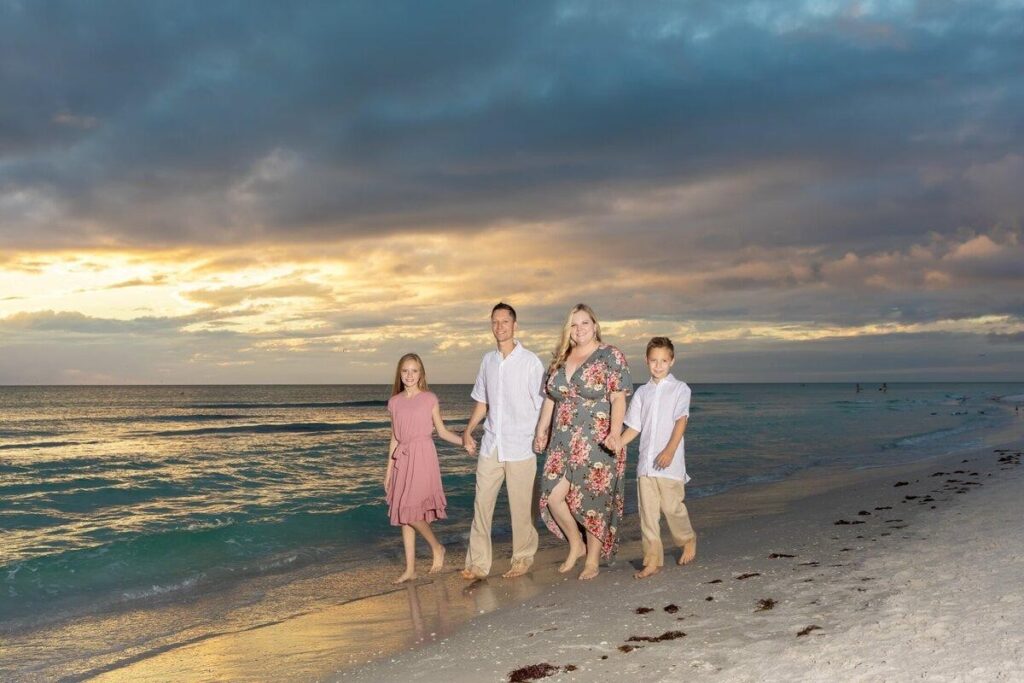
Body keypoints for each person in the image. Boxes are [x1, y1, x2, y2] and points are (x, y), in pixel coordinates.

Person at [534, 303, 631, 580]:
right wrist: (541, 430)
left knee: (592, 500)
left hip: (596, 438)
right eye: (574, 325)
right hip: (562, 440)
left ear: (595, 325)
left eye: (584, 323)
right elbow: (551, 399)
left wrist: (615, 432)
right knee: (553, 496)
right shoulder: (560, 358)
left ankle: (592, 559)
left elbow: (618, 397)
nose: (579, 329)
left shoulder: (610, 356)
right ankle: (576, 544)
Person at [462, 303, 545, 580]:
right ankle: (477, 564)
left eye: (505, 321)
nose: (500, 326)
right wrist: (468, 430)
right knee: (481, 505)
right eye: (495, 322)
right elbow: (483, 402)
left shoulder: (531, 362)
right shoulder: (488, 361)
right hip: (491, 445)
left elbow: (543, 404)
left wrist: (542, 434)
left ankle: (522, 558)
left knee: (521, 508)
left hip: (521, 445)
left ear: (514, 325)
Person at [616, 337, 696, 579]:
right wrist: (617, 442)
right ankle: (652, 560)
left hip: (669, 464)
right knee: (647, 515)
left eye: (663, 361)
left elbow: (681, 420)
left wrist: (670, 450)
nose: (658, 365)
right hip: (646, 465)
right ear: (646, 361)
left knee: (672, 508)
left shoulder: (680, 388)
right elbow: (634, 427)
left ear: (672, 361)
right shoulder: (642, 392)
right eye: (654, 361)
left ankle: (687, 539)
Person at [385, 353, 463, 584]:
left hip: (423, 457)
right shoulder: (394, 402)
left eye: (414, 371)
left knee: (411, 511)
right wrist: (388, 471)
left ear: (421, 374)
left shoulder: (429, 398)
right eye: (405, 371)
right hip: (402, 460)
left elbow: (442, 431)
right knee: (403, 514)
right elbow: (394, 438)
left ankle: (437, 547)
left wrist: (464, 441)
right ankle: (410, 569)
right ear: (399, 374)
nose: (409, 375)